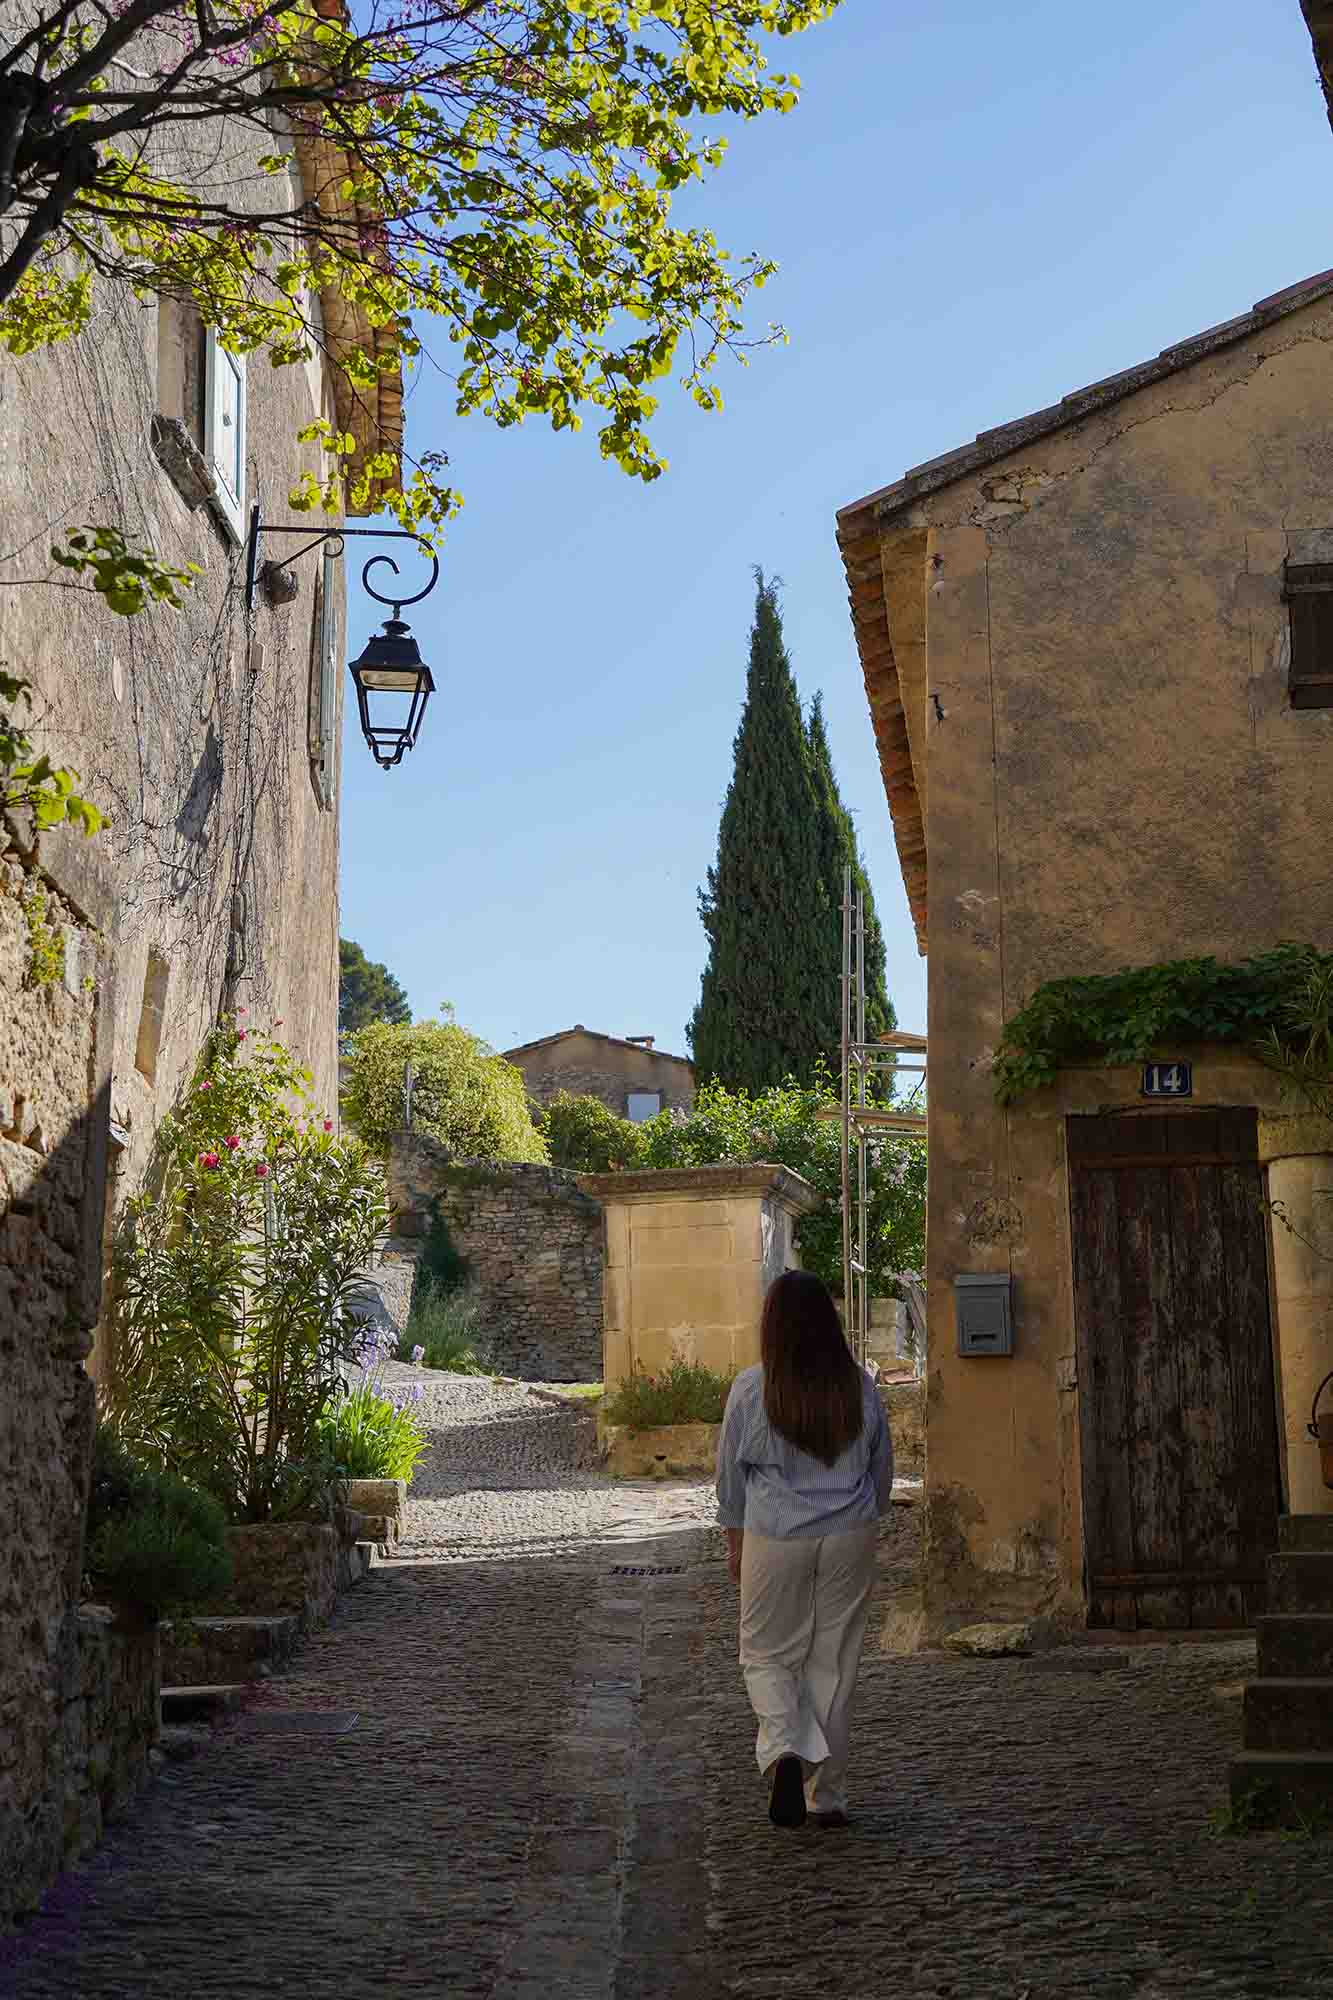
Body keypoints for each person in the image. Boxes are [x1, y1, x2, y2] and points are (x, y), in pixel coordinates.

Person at [715, 1268, 893, 1831]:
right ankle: (828, 1795)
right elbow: (881, 1469)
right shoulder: (860, 1386)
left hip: (775, 1534)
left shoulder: (751, 1388)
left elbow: (730, 1480)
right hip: (849, 1533)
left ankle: (785, 1748)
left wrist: (735, 1542)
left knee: (767, 1654)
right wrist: (866, 1516)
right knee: (834, 1661)